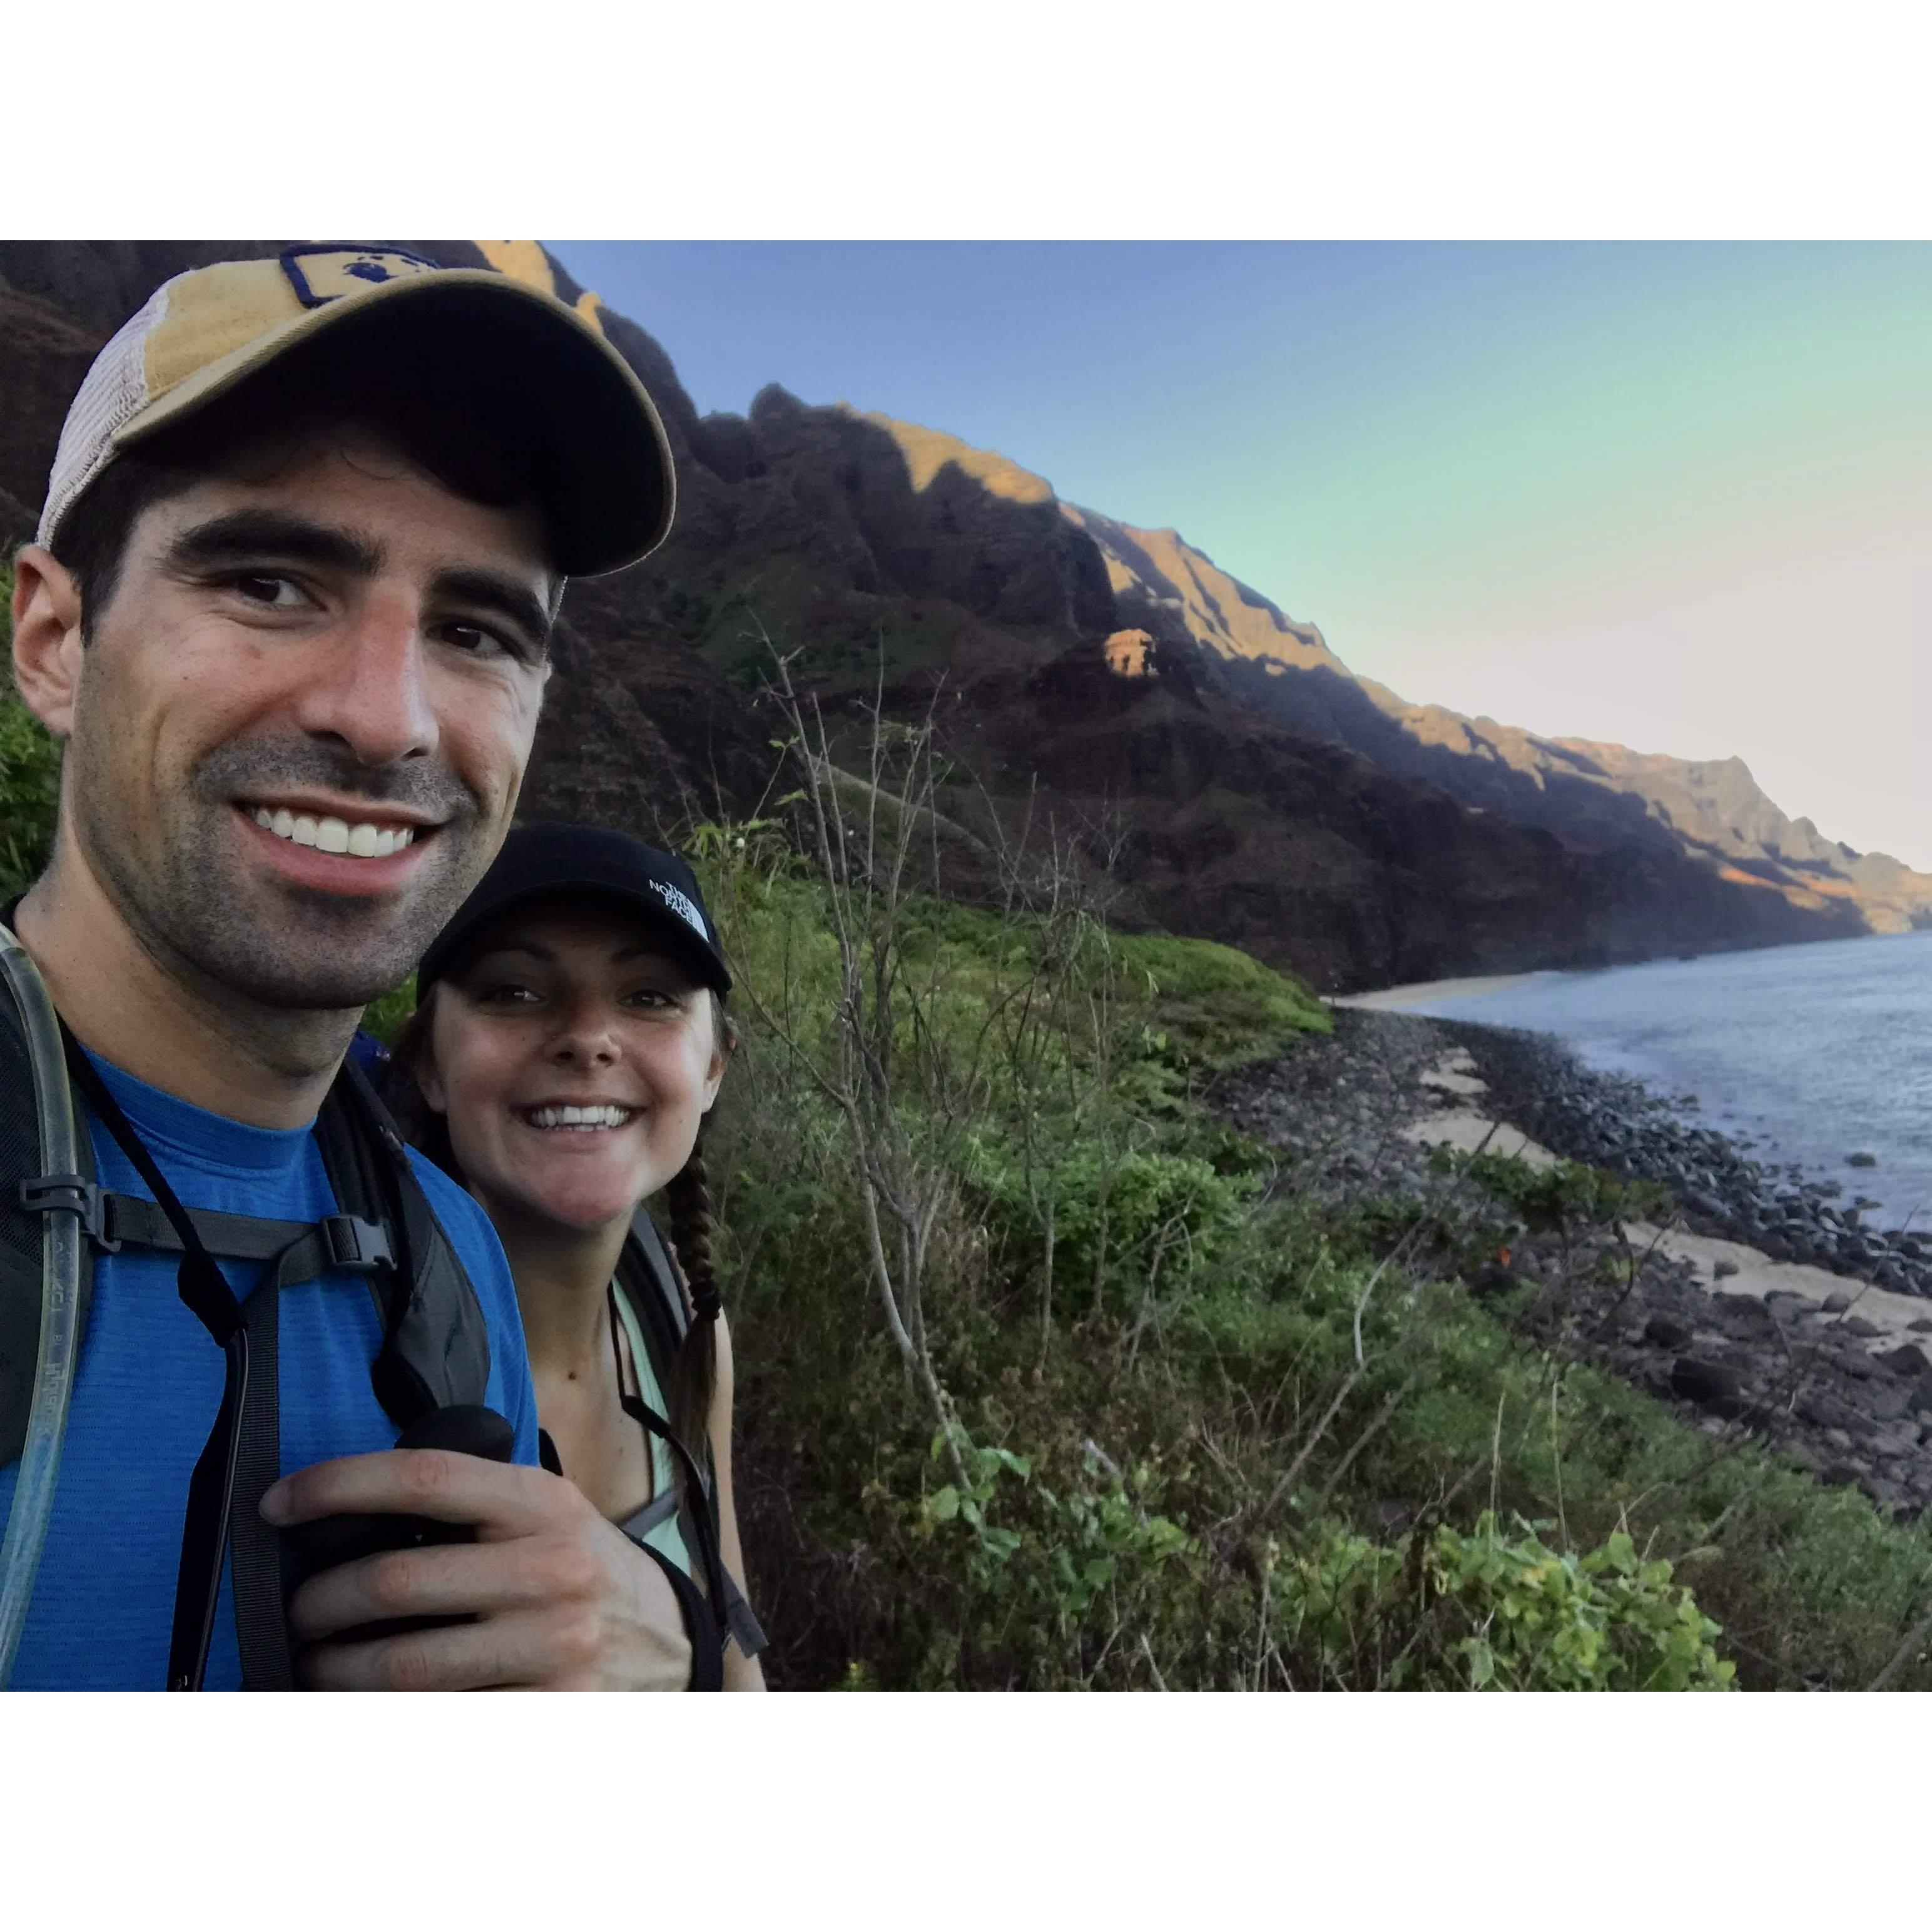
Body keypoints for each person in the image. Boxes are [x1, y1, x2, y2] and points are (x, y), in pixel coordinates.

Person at [0, 245, 713, 1689]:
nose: (387, 718)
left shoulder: (446, 1262)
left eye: (473, 630)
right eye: (269, 581)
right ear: (57, 637)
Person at [387, 822, 766, 1689]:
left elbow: (737, 1649)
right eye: (515, 992)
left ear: (713, 1068)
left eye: (649, 997)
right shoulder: (356, 1348)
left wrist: (692, 1660)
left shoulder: (680, 1321)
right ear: (429, 1063)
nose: (589, 1037)